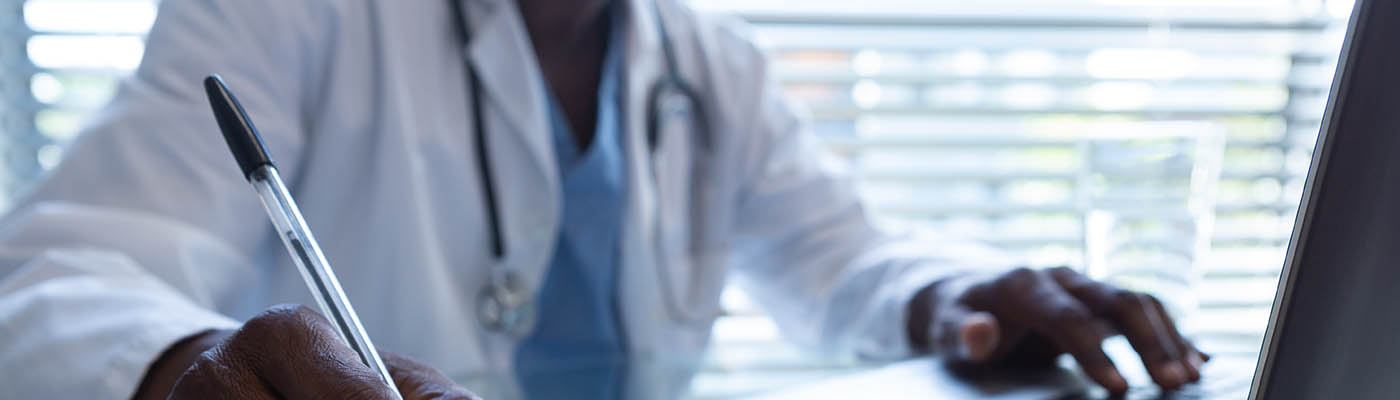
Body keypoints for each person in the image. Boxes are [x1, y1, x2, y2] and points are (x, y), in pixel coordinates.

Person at [0, 0, 1208, 399]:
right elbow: (59, 272)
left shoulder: (705, 60)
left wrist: (952, 298)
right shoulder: (286, 14)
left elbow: (834, 251)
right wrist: (183, 361)